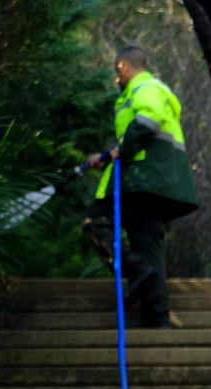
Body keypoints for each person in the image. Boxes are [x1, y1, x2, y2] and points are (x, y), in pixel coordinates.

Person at [83, 45, 197, 328]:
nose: (115, 80)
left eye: (116, 72)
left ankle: (135, 270)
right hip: (154, 181)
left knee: (94, 222)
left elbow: (148, 120)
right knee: (148, 246)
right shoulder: (158, 89)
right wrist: (110, 154)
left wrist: (112, 154)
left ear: (123, 65)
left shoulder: (143, 87)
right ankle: (157, 320)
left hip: (141, 179)